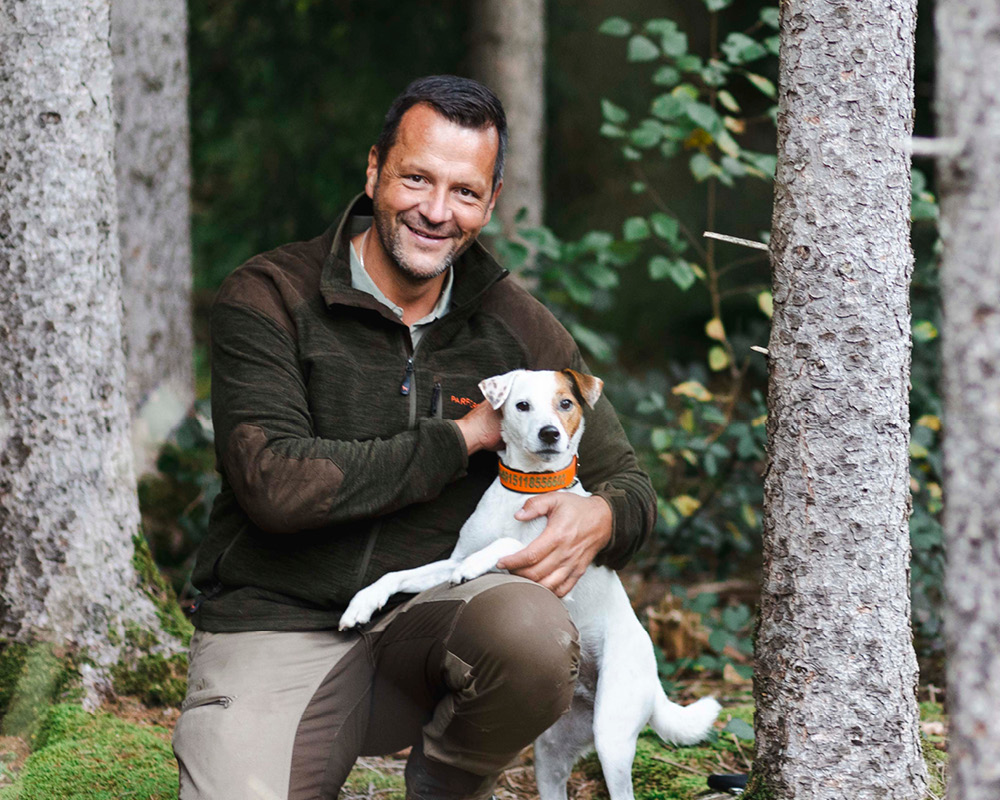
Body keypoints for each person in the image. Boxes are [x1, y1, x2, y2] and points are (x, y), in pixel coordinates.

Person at [172, 75, 656, 800]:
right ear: (374, 171)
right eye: (417, 179)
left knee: (531, 631)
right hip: (278, 627)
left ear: (492, 201)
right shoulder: (271, 295)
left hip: (436, 632)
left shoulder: (520, 328)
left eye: (465, 192)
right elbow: (276, 485)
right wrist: (462, 437)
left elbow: (632, 488)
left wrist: (602, 517)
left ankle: (448, 782)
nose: (436, 211)